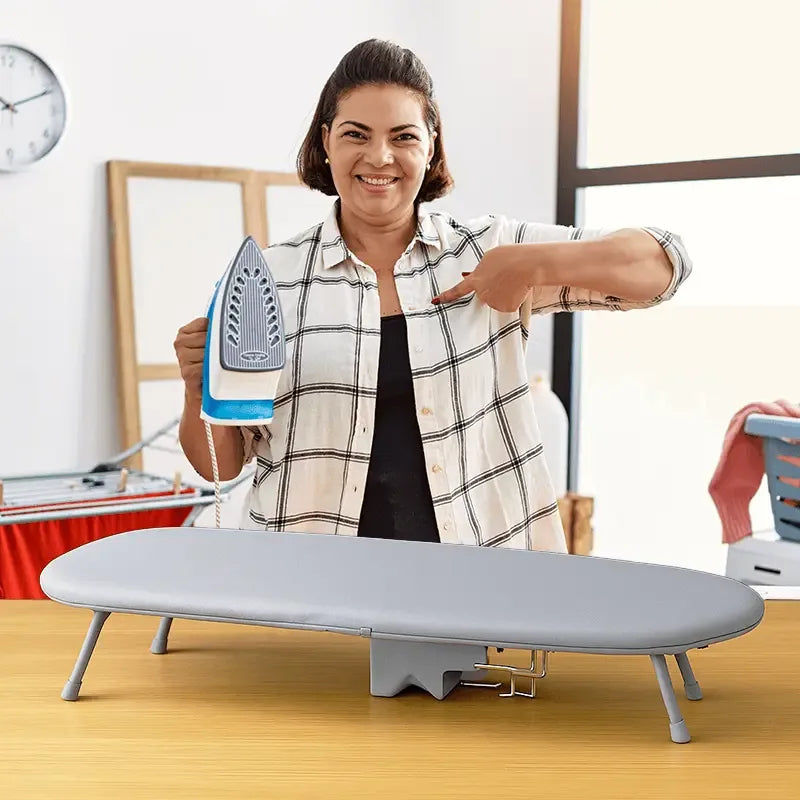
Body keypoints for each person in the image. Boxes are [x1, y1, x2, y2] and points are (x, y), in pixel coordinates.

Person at [174, 39, 692, 554]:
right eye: (357, 134)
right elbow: (220, 463)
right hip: (311, 586)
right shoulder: (271, 278)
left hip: (478, 588)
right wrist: (199, 389)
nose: (380, 157)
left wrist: (529, 264)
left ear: (430, 145)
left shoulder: (486, 249)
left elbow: (664, 263)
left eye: (403, 136)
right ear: (327, 140)